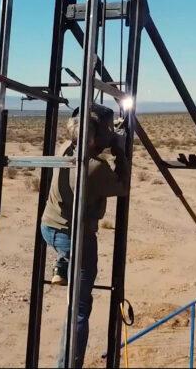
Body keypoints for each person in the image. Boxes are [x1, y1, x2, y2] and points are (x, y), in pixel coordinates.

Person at [40, 104, 130, 368]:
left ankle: (63, 261)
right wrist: (120, 151)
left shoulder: (64, 150)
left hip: (49, 227)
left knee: (66, 253)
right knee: (79, 311)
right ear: (97, 137)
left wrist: (107, 136)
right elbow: (123, 186)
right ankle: (68, 364)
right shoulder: (94, 168)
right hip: (75, 236)